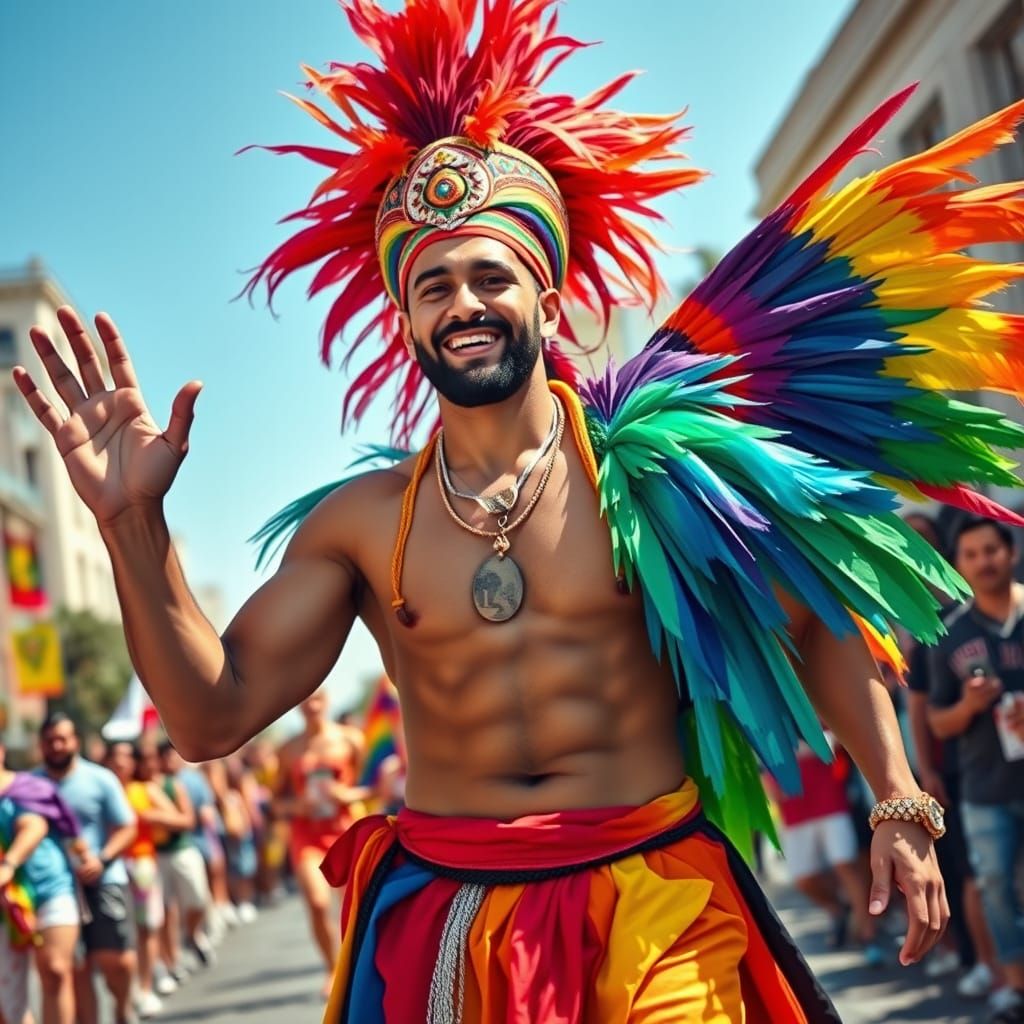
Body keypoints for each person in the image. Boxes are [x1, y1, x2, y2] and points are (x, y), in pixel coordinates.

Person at [22, 0, 1024, 1015]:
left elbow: (815, 619)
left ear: (545, 298)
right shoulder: (363, 525)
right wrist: (131, 528)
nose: (463, 303)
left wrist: (897, 796)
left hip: (653, 893)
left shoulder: (656, 472)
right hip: (450, 918)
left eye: (489, 276)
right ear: (405, 319)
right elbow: (210, 718)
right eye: (433, 286)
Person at [927, 518, 1024, 1023]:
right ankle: (1015, 985)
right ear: (959, 564)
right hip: (984, 786)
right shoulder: (950, 632)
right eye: (972, 554)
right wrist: (967, 706)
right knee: (995, 888)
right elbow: (936, 720)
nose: (984, 561)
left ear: (1011, 552)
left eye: (992, 549)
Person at [903, 512, 1001, 999]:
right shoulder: (918, 615)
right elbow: (919, 703)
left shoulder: (977, 605)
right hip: (959, 765)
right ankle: (980, 961)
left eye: (922, 539)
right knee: (972, 869)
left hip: (996, 760)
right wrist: (924, 770)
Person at [36, 714, 137, 1024]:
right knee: (76, 969)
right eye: (50, 740)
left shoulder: (100, 779)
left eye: (62, 739)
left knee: (117, 961)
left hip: (104, 880)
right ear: (41, 745)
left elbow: (128, 827)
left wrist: (102, 859)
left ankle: (122, 1007)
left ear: (75, 741)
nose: (57, 746)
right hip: (59, 889)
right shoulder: (32, 786)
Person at [273, 691, 367, 996]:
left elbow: (375, 785)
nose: (311, 706)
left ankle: (358, 967)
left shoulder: (351, 739)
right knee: (317, 902)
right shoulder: (288, 749)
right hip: (307, 834)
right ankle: (332, 968)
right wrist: (295, 806)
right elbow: (276, 801)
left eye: (316, 700)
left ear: (326, 701)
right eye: (305, 701)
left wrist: (348, 795)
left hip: (346, 830)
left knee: (354, 906)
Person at [764, 738, 885, 967]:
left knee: (845, 865)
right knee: (804, 879)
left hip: (831, 801)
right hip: (794, 810)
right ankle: (838, 910)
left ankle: (869, 937)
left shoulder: (817, 716)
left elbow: (839, 742)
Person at [0, 736, 80, 1024]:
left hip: (49, 890)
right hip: (5, 907)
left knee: (55, 970)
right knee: (7, 999)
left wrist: (9, 864)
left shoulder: (26, 788)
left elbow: (34, 826)